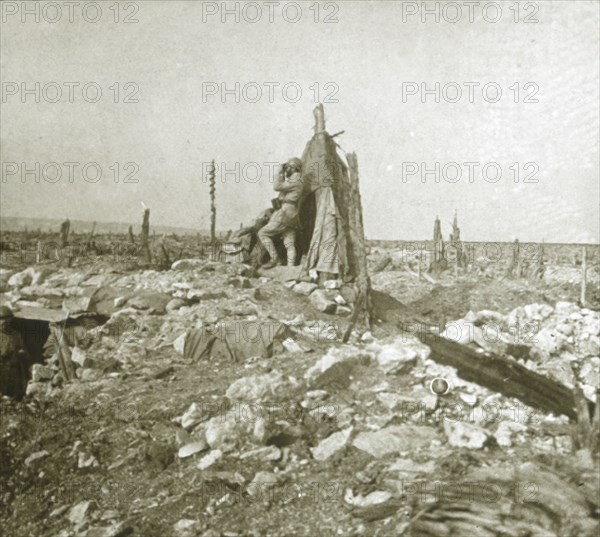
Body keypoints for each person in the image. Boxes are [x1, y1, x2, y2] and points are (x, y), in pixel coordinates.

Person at [258, 157, 304, 269]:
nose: (286, 169)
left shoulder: (295, 179)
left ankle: (275, 259)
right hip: (292, 214)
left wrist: (279, 171)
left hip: (285, 212)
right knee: (289, 243)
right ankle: (290, 268)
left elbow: (276, 186)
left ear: (293, 168)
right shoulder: (298, 179)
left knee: (262, 233)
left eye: (288, 167)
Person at [0, 306, 29, 400]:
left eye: (7, 319)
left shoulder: (16, 335)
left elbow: (25, 353)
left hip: (14, 370)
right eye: (1, 319)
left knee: (14, 397)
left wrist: (22, 353)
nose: (4, 322)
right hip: (1, 369)